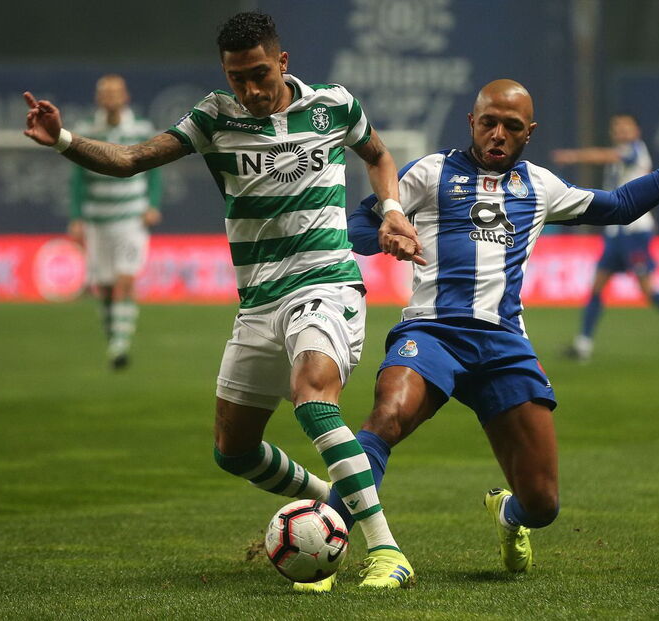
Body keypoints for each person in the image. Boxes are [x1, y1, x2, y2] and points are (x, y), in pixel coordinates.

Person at [23, 11, 422, 590]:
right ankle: (329, 507)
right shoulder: (214, 115)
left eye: (260, 73)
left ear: (282, 62)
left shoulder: (333, 105)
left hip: (326, 282)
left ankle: (388, 552)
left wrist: (391, 211)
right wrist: (61, 139)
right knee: (233, 452)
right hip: (259, 301)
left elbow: (379, 157)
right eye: (238, 78)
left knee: (312, 398)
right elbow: (132, 158)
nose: (251, 89)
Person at [336, 80, 659, 582]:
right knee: (386, 417)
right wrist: (385, 231)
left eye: (511, 126)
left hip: (503, 345)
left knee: (543, 503)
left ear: (529, 133)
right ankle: (328, 541)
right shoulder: (430, 173)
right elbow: (355, 225)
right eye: (489, 123)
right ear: (471, 122)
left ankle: (509, 517)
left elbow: (620, 206)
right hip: (432, 332)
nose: (498, 134)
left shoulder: (541, 187)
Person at [552, 114, 659, 362]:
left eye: (626, 128)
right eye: (617, 128)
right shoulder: (621, 154)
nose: (621, 132)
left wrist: (574, 156)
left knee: (648, 291)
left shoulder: (634, 151)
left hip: (635, 231)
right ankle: (583, 345)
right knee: (597, 287)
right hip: (616, 232)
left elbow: (609, 156)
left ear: (637, 132)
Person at [68, 74, 162, 370]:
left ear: (125, 97)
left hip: (131, 218)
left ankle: (120, 347)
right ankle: (114, 336)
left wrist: (153, 204)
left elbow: (155, 169)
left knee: (124, 281)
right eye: (104, 93)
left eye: (115, 93)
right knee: (106, 288)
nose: (110, 98)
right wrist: (77, 216)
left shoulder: (141, 129)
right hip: (98, 220)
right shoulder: (86, 131)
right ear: (98, 99)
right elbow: (77, 178)